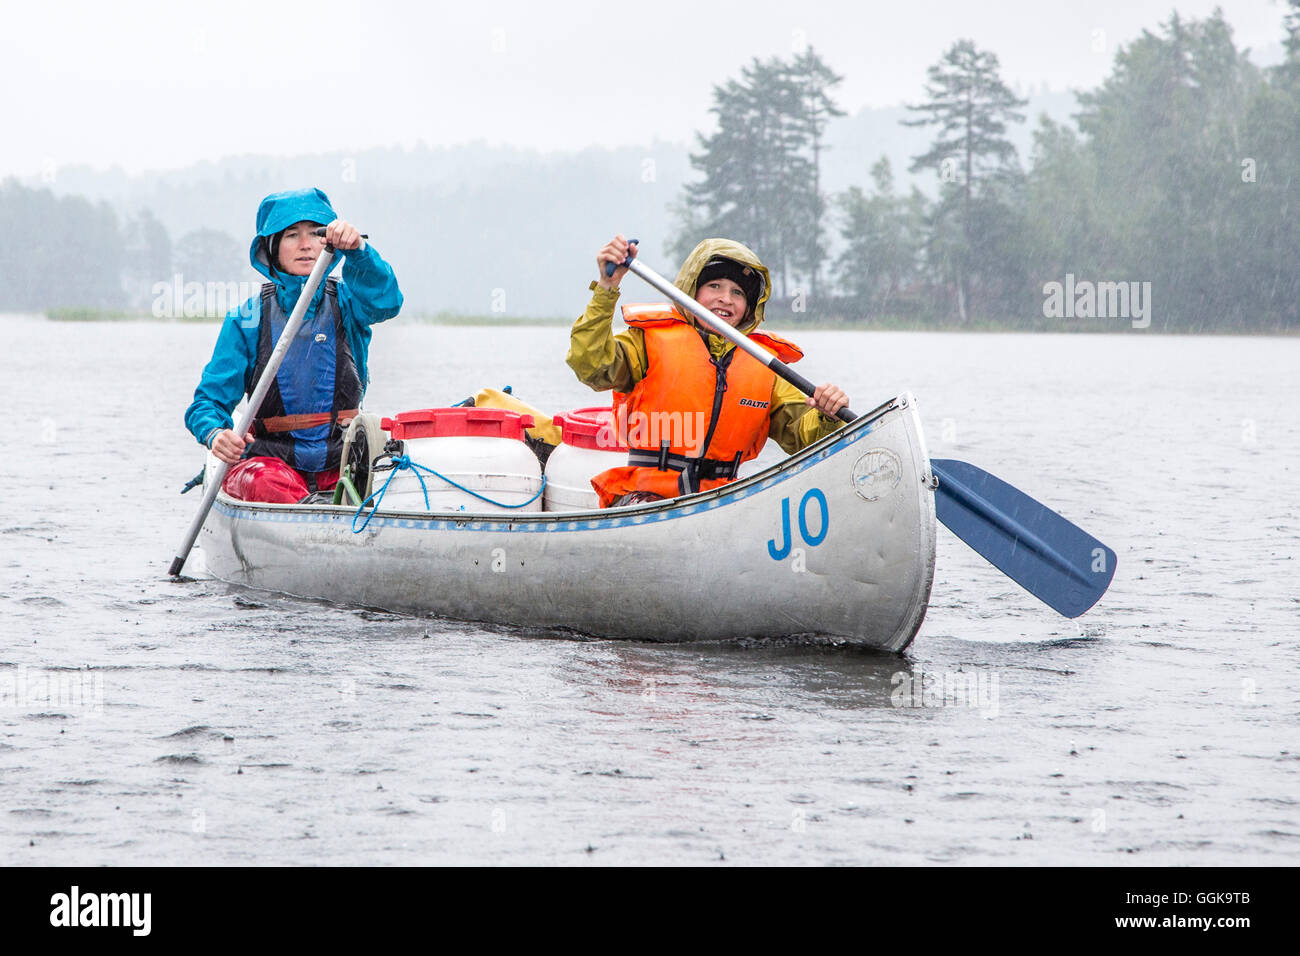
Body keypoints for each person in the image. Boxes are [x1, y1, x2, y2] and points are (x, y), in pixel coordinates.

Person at [567, 234, 849, 507]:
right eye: (714, 286)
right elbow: (590, 366)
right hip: (647, 494)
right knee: (653, 505)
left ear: (750, 308)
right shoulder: (646, 341)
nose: (726, 299)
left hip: (725, 499)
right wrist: (607, 287)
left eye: (737, 293)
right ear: (692, 289)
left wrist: (826, 414)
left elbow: (804, 437)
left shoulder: (764, 364)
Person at [184, 188, 403, 503]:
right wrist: (216, 434)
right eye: (291, 235)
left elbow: (387, 301)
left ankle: (327, 508)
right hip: (271, 464)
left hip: (342, 460)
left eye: (316, 234)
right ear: (272, 248)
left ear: (328, 241)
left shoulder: (350, 303)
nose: (305, 245)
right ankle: (311, 513)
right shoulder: (247, 318)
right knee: (262, 481)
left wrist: (359, 250)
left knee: (394, 475)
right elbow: (206, 404)